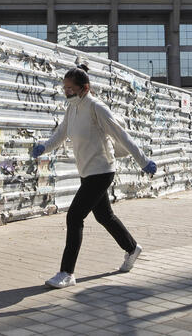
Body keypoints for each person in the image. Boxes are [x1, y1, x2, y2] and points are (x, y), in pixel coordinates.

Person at [31, 64, 158, 289]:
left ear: (84, 88)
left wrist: (143, 161)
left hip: (101, 171)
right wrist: (44, 147)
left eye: (70, 88)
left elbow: (122, 134)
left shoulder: (96, 107)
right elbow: (61, 133)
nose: (66, 91)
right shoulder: (72, 108)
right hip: (87, 171)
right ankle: (131, 248)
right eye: (64, 87)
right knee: (104, 216)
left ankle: (67, 272)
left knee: (74, 217)